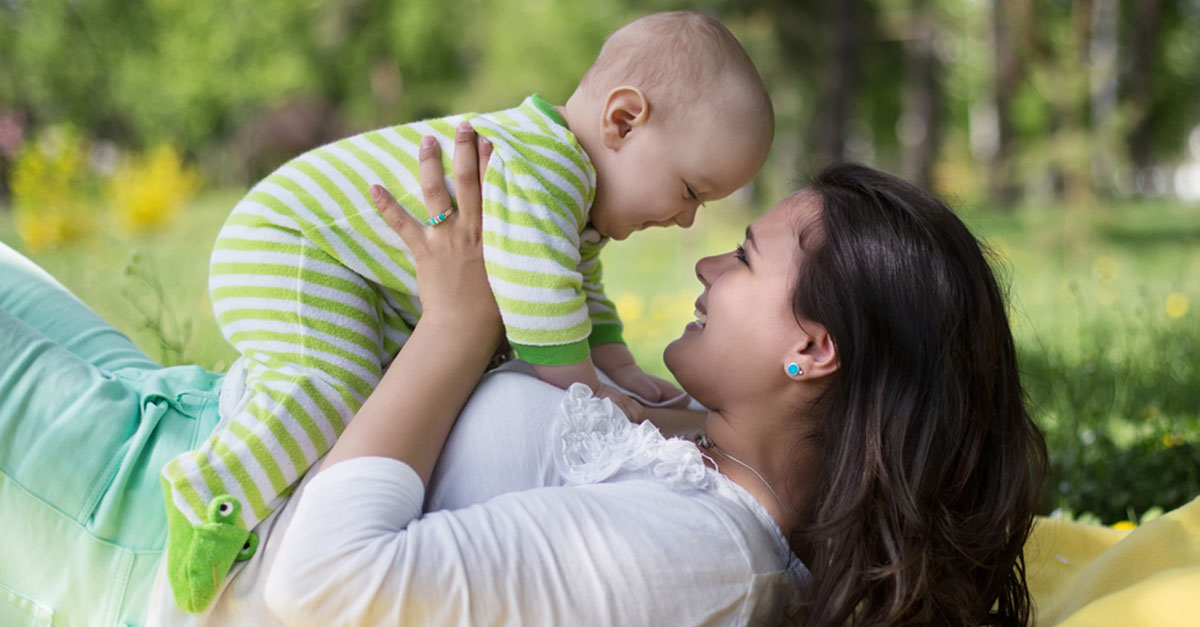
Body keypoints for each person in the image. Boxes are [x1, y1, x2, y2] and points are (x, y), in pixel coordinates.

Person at [0, 130, 1045, 625]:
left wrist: (456, 326)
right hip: (178, 425)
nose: (706, 262)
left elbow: (318, 588)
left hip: (145, 526)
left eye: (748, 257)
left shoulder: (701, 564)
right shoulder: (702, 453)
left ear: (813, 350)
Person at [160, 11, 775, 610]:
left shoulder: (570, 189)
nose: (688, 219)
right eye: (691, 190)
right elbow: (544, 311)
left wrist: (618, 364)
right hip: (293, 245)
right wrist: (595, 396)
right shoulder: (543, 171)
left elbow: (577, 290)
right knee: (335, 382)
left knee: (363, 391)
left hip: (335, 261)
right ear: (623, 121)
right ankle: (215, 492)